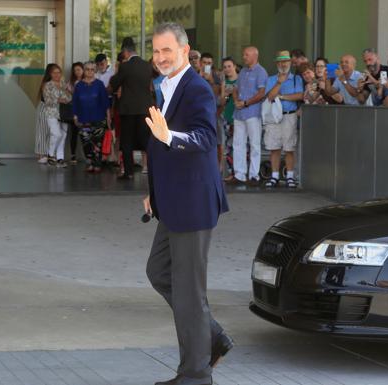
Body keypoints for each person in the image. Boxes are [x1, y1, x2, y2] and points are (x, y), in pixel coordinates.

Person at [143, 22, 231, 385]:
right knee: (159, 272)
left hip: (193, 202)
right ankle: (213, 337)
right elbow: (160, 150)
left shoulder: (197, 87)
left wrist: (170, 136)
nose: (161, 57)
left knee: (189, 293)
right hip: (172, 200)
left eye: (167, 50)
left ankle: (196, 375)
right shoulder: (162, 85)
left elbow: (206, 137)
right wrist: (154, 191)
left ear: (184, 50)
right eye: (156, 51)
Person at [110, 37, 153, 179]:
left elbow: (115, 84)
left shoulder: (125, 66)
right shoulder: (147, 65)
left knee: (127, 141)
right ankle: (154, 169)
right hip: (145, 108)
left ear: (125, 52)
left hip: (128, 109)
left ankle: (128, 173)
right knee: (146, 140)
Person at [263, 50, 303, 188]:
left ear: (290, 63)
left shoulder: (296, 79)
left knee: (289, 148)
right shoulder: (271, 79)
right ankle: (274, 176)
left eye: (286, 61)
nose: (283, 64)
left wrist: (282, 96)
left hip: (290, 115)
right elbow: (269, 97)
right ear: (277, 63)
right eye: (281, 61)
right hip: (274, 117)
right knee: (274, 148)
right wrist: (279, 83)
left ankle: (290, 177)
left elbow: (300, 95)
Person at [228, 46, 268, 186]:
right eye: (244, 54)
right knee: (238, 144)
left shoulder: (261, 72)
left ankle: (254, 175)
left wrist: (245, 103)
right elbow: (235, 89)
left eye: (246, 54)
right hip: (239, 113)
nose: (243, 57)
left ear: (254, 56)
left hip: (252, 113)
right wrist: (236, 101)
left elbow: (261, 93)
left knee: (255, 145)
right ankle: (239, 175)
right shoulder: (243, 71)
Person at [72, 61, 112, 173]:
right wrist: (75, 116)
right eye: (87, 69)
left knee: (97, 142)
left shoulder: (99, 84)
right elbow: (75, 102)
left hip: (98, 118)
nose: (89, 72)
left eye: (92, 69)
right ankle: (90, 163)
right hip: (83, 118)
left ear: (95, 71)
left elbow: (105, 102)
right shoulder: (79, 85)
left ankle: (97, 164)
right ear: (84, 71)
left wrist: (108, 117)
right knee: (86, 142)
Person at [42, 63, 71, 168]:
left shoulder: (64, 84)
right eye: (55, 73)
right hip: (52, 113)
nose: (57, 75)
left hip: (64, 113)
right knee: (56, 134)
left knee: (63, 136)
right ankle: (50, 155)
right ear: (50, 74)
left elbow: (69, 98)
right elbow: (47, 100)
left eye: (59, 72)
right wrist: (58, 100)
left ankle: (60, 158)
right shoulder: (47, 85)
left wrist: (67, 93)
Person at [217, 56, 238, 177]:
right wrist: (226, 94)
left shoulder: (240, 80)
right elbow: (222, 102)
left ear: (234, 66)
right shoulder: (224, 83)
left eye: (229, 66)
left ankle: (241, 172)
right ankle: (231, 173)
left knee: (241, 146)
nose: (227, 69)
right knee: (229, 147)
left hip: (240, 117)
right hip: (227, 118)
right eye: (225, 67)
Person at [34, 64, 53, 164]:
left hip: (52, 110)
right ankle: (41, 154)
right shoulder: (46, 83)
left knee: (51, 132)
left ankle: (48, 154)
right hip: (45, 109)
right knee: (42, 131)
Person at [66, 62, 84, 164]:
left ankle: (87, 155)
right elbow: (68, 95)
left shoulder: (87, 81)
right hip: (75, 110)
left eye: (79, 69)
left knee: (85, 133)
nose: (77, 72)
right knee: (74, 133)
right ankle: (73, 155)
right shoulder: (71, 83)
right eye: (75, 70)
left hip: (85, 110)